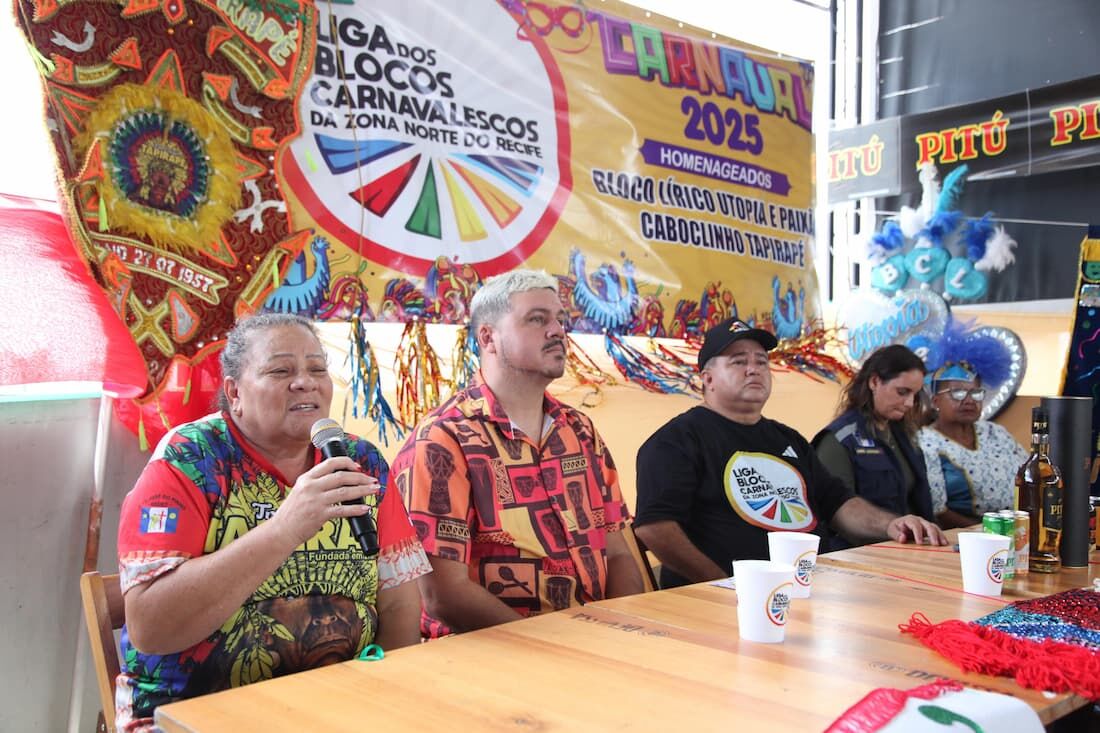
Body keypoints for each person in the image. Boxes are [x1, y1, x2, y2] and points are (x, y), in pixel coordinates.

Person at [116, 313, 430, 731]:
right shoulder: (191, 459)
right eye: (281, 370)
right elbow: (150, 628)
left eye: (317, 369)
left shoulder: (360, 461)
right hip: (195, 713)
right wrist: (284, 530)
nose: (305, 382)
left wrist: (379, 705)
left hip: (341, 707)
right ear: (235, 392)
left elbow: (399, 604)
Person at [389, 269, 644, 636]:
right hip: (489, 663)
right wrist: (554, 651)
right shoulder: (443, 441)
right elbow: (442, 594)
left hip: (594, 648)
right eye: (537, 319)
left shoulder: (580, 430)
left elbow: (618, 552)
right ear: (489, 337)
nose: (557, 331)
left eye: (559, 319)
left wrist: (618, 629)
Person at [634, 319, 946, 589]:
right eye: (738, 362)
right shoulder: (675, 442)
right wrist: (725, 586)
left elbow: (838, 503)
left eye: (761, 361)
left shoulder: (788, 438)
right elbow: (655, 527)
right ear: (708, 378)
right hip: (725, 607)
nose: (754, 369)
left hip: (814, 592)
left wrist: (891, 525)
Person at [813, 344, 936, 549]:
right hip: (857, 555)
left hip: (908, 548)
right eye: (902, 392)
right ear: (874, 381)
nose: (909, 403)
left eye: (915, 394)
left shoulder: (905, 436)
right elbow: (835, 511)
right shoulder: (839, 439)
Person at [919, 360, 1028, 528]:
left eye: (976, 393)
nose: (969, 400)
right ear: (935, 401)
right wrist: (988, 531)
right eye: (957, 393)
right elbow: (938, 511)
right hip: (963, 537)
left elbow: (1029, 475)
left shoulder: (995, 432)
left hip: (1016, 529)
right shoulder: (925, 442)